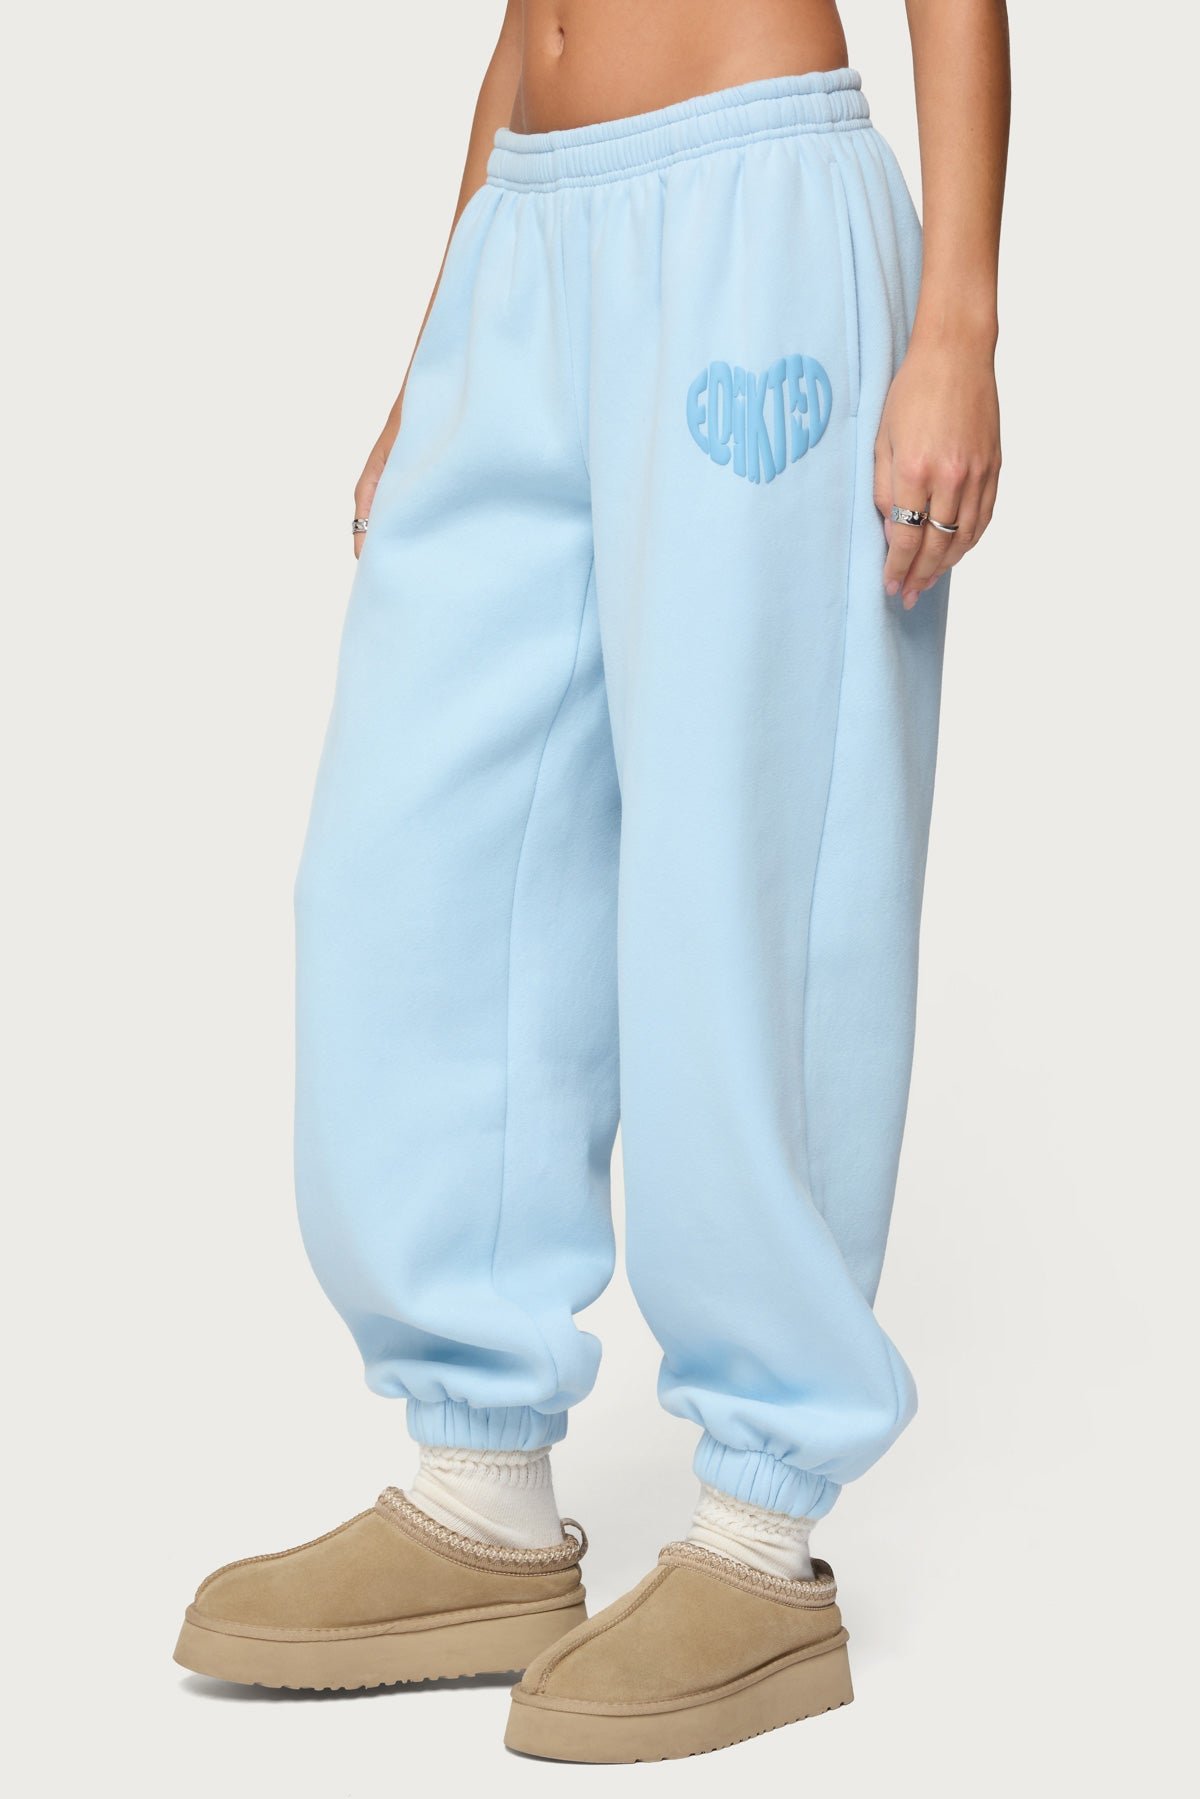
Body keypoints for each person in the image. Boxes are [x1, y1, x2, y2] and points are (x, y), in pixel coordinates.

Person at [174, 0, 1008, 1761]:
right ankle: (476, 1499)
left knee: (744, 884)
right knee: (416, 867)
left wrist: (956, 317)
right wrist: (441, 337)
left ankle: (762, 1536)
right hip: (529, 231)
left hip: (753, 216)